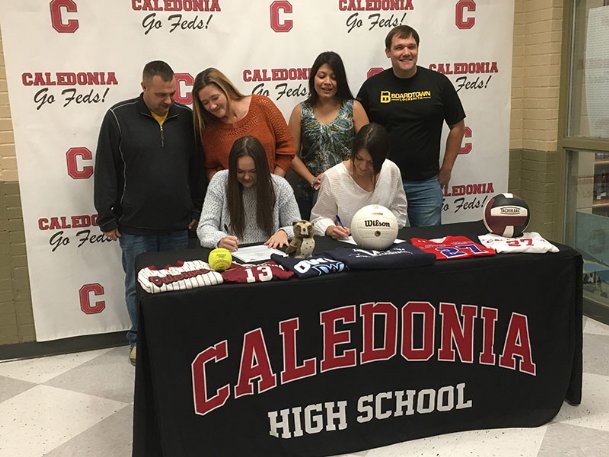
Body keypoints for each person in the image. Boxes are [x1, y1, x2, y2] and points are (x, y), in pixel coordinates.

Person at [94, 60, 203, 366]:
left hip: (179, 225)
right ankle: (139, 341)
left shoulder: (186, 118)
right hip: (134, 226)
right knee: (136, 286)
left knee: (181, 284)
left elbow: (196, 169)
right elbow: (105, 170)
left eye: (172, 93)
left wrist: (196, 208)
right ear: (143, 88)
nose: (168, 100)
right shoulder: (118, 117)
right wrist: (106, 216)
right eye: (160, 95)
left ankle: (177, 339)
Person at [357, 25, 466, 227]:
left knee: (429, 245)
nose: (406, 52)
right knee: (381, 246)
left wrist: (447, 169)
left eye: (411, 46)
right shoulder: (372, 87)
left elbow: (458, 127)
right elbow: (360, 133)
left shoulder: (438, 83)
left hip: (425, 183)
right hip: (382, 181)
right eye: (399, 47)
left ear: (418, 49)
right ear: (388, 52)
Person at [287, 51, 369, 219]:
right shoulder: (300, 111)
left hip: (348, 187)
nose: (327, 82)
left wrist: (342, 173)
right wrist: (312, 179)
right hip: (310, 191)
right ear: (313, 79)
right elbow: (290, 154)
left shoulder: (354, 108)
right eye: (322, 76)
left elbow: (367, 149)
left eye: (333, 77)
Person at [197, 136, 301, 250]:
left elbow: (298, 227)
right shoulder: (220, 181)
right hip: (231, 254)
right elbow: (205, 226)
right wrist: (219, 239)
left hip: (268, 253)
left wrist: (284, 232)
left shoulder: (280, 186)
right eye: (240, 171)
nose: (246, 177)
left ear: (262, 168)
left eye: (253, 171)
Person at [192, 68, 295, 181]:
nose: (212, 106)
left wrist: (275, 182)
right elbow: (209, 167)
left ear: (226, 89)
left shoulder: (262, 105)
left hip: (273, 188)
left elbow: (287, 147)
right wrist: (224, 187)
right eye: (205, 103)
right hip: (235, 195)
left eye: (215, 98)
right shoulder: (209, 130)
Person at [310, 123, 407, 239]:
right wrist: (331, 229)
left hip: (384, 238)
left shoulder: (391, 170)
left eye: (371, 162)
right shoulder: (333, 177)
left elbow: (399, 209)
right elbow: (319, 218)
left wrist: (384, 229)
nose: (363, 167)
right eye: (359, 158)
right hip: (347, 242)